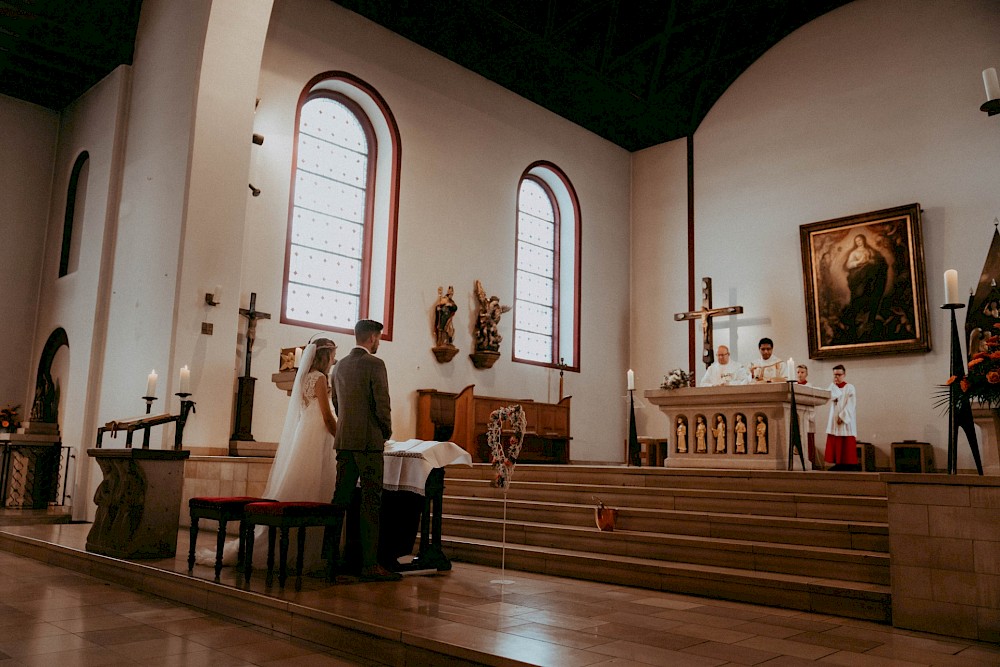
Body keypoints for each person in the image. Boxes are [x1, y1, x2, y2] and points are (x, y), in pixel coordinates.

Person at [198, 338, 339, 569]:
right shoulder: (321, 378)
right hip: (320, 437)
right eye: (333, 355)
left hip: (305, 437)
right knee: (316, 490)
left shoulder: (304, 377)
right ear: (325, 356)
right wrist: (339, 437)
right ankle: (309, 549)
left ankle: (290, 544)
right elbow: (325, 415)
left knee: (301, 489)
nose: (334, 359)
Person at [327, 320, 400, 582]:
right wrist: (386, 431)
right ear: (371, 337)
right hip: (369, 442)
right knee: (371, 502)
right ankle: (369, 564)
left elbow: (336, 402)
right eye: (378, 337)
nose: (379, 342)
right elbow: (382, 403)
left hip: (345, 440)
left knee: (340, 500)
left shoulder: (340, 366)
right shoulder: (375, 364)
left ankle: (331, 561)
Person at [824, 364, 859, 470]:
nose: (836, 377)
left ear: (844, 375)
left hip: (845, 419)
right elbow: (828, 396)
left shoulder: (850, 387)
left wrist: (842, 416)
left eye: (839, 375)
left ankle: (848, 464)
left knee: (846, 440)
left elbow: (851, 404)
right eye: (835, 375)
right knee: (835, 439)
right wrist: (833, 387)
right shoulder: (832, 387)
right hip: (834, 418)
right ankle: (838, 463)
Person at [796, 364, 821, 469]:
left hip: (807, 417)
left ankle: (810, 463)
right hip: (796, 417)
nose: (800, 375)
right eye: (798, 372)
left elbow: (812, 403)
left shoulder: (810, 387)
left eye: (802, 372)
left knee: (808, 441)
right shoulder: (793, 386)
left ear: (807, 374)